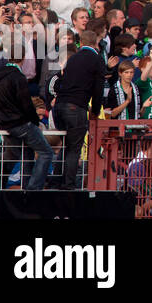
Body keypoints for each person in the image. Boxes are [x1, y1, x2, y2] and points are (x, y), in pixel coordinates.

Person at [51, 18, 106, 189]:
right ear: (96, 42)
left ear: (80, 42)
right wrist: (95, 111)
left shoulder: (72, 59)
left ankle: (56, 181)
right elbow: (98, 90)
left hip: (59, 106)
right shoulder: (97, 60)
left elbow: (60, 82)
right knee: (74, 149)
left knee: (66, 145)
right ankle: (68, 186)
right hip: (76, 107)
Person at [0, 56, 53, 190]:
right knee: (46, 152)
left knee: (26, 153)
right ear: (23, 58)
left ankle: (25, 187)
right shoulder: (18, 77)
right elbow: (26, 104)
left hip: (5, 125)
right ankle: (33, 189)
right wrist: (35, 121)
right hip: (20, 124)